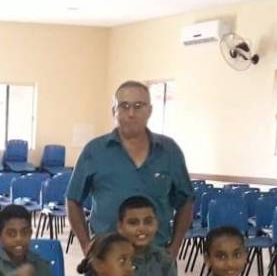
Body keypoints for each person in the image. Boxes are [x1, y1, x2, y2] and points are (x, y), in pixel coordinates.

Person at [67, 80, 195, 258]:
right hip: (107, 257)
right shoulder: (94, 151)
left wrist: (175, 247)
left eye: (138, 106)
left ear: (149, 110)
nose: (131, 113)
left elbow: (186, 200)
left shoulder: (169, 151)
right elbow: (73, 199)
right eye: (124, 106)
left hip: (156, 257)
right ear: (114, 111)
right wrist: (86, 245)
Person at [117, 194, 179, 276]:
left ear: (157, 224)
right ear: (120, 227)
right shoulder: (112, 262)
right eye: (133, 223)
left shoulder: (164, 260)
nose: (142, 228)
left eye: (148, 222)